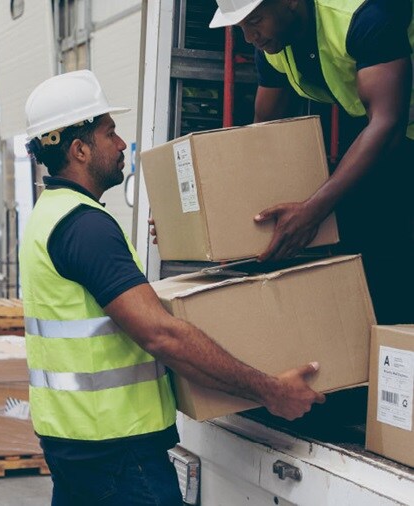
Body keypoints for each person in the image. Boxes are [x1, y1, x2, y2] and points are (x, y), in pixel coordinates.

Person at [21, 70, 324, 506]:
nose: (122, 144)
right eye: (110, 133)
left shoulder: (49, 215)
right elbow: (162, 334)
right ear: (80, 149)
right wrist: (270, 391)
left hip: (77, 446)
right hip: (118, 455)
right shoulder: (85, 227)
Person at [209, 0, 413, 324]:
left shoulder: (362, 18)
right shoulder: (274, 46)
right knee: (370, 259)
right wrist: (213, 211)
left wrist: (312, 211)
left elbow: (387, 128)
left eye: (255, 20)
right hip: (390, 135)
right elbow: (262, 131)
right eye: (241, 27)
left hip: (393, 131)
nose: (249, 37)